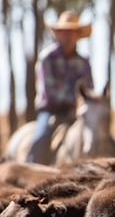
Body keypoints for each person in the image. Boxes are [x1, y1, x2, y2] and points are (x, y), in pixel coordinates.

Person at [27, 10, 94, 163]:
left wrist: (83, 106)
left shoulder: (83, 62)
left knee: (98, 136)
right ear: (57, 34)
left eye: (71, 32)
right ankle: (31, 167)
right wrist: (72, 103)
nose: (67, 36)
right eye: (63, 32)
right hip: (51, 111)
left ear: (77, 35)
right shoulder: (47, 58)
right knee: (40, 138)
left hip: (77, 114)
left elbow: (88, 91)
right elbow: (49, 92)